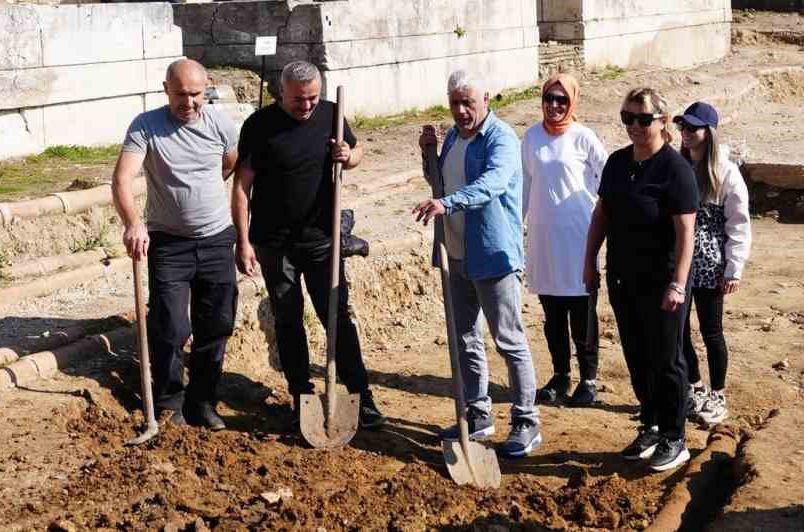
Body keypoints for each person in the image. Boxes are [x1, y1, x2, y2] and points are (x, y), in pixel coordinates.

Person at [231, 60, 384, 431]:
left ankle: (361, 396)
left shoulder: (333, 114)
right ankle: (301, 394)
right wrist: (243, 240)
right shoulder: (259, 126)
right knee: (287, 319)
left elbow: (358, 152)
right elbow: (241, 186)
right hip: (274, 243)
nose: (307, 106)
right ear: (281, 92)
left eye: (313, 98)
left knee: (338, 319)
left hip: (322, 239)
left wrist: (348, 156)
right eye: (299, 99)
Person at [414, 69, 541, 459]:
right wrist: (427, 152)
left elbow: (491, 185)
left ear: (486, 99)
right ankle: (478, 413)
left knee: (509, 339)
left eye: (468, 102)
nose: (462, 110)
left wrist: (446, 204)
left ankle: (526, 421)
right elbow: (440, 184)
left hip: (492, 253)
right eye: (455, 103)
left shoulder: (501, 139)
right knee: (465, 336)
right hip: (456, 252)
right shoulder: (452, 135)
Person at [113, 58, 241, 429]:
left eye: (196, 94)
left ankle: (203, 400)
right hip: (169, 243)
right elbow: (122, 179)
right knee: (170, 325)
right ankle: (170, 400)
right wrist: (134, 223)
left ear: (208, 89)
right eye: (181, 94)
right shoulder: (146, 126)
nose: (189, 103)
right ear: (166, 89)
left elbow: (230, 163)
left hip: (217, 239)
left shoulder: (220, 122)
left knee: (216, 323)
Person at [583, 87, 698, 472]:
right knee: (636, 353)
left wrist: (678, 284)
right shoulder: (617, 163)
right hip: (623, 278)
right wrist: (589, 262)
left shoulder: (675, 169)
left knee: (667, 359)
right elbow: (602, 214)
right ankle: (649, 424)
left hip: (663, 281)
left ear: (663, 121)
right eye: (627, 118)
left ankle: (674, 435)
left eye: (643, 119)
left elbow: (686, 234)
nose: (634, 125)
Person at [522, 74, 607, 408]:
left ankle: (588, 379)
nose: (554, 105)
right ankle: (560, 376)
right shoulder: (530, 138)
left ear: (572, 101)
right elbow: (524, 187)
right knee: (552, 313)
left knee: (582, 312)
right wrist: (517, 228)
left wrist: (603, 215)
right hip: (544, 240)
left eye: (561, 99)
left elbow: (607, 178)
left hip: (578, 239)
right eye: (549, 98)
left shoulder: (584, 138)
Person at [673, 102, 751, 427]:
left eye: (694, 128)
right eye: (684, 128)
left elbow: (739, 223)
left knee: (711, 331)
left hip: (710, 264)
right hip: (679, 262)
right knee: (679, 332)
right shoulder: (677, 166)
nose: (687, 133)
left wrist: (734, 267)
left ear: (709, 133)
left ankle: (717, 394)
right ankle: (695, 387)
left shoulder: (725, 172)